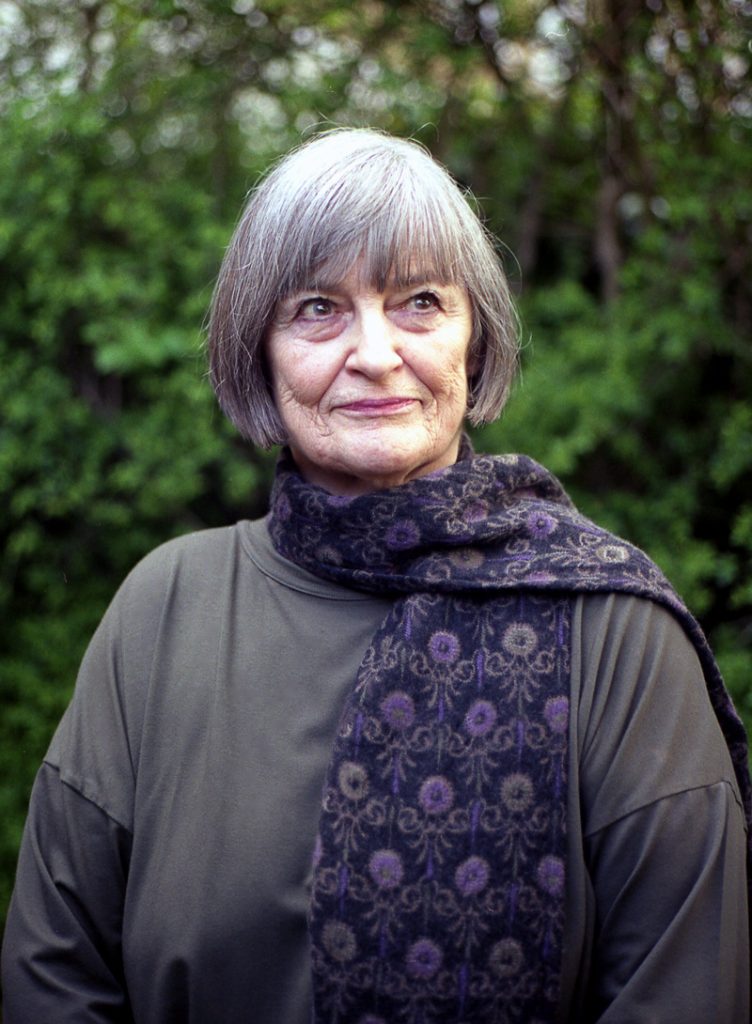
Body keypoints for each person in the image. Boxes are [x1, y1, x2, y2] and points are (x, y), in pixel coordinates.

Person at [2, 128, 750, 1024]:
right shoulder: (164, 609)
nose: (375, 352)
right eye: (318, 307)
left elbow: (687, 989)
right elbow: (54, 975)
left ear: (475, 341)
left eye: (419, 302)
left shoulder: (614, 628)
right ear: (259, 349)